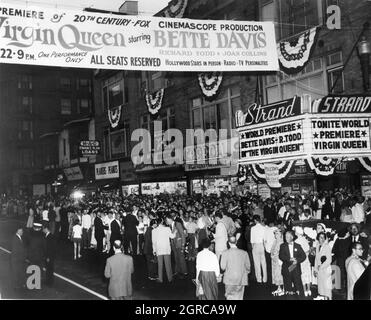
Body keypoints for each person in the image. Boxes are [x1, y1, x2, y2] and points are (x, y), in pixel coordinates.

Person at [279, 230, 306, 298]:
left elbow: (303, 256)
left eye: (288, 237)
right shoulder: (282, 246)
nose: (286, 238)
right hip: (287, 269)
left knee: (299, 287)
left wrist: (297, 261)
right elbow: (281, 256)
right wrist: (289, 259)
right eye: (285, 237)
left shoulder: (298, 246)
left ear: (292, 237)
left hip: (295, 268)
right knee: (288, 288)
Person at [152, 218, 175, 283]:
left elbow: (154, 242)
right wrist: (175, 232)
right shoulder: (167, 229)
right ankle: (170, 278)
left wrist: (154, 250)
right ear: (162, 222)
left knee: (160, 264)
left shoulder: (154, 230)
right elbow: (172, 236)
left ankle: (160, 278)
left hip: (159, 249)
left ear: (157, 222)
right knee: (168, 264)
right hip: (166, 249)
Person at [314, 232, 332, 300]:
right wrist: (315, 269)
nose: (321, 239)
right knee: (321, 288)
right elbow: (316, 258)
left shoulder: (327, 246)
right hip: (319, 271)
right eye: (320, 237)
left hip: (326, 270)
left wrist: (320, 267)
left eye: (323, 237)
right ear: (318, 238)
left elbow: (329, 260)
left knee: (327, 288)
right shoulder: (317, 245)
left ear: (325, 239)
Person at [294, 227, 312, 297]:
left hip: (301, 261)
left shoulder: (297, 241)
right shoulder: (305, 239)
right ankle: (309, 290)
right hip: (306, 260)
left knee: (303, 275)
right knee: (308, 274)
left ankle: (305, 290)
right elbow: (308, 250)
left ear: (297, 232)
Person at [250, 215, 267, 284]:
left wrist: (252, 248)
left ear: (255, 220)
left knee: (257, 263)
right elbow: (265, 239)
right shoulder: (263, 228)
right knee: (264, 262)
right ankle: (265, 278)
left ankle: (259, 279)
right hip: (262, 245)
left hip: (256, 245)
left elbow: (252, 240)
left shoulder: (253, 228)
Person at [271, 228, 284, 296]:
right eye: (275, 233)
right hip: (274, 261)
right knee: (276, 275)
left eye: (277, 233)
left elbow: (281, 252)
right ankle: (279, 288)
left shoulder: (281, 242)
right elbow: (272, 250)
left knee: (280, 275)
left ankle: (284, 289)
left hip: (279, 261)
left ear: (281, 234)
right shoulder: (275, 241)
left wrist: (278, 258)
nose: (276, 235)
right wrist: (272, 255)